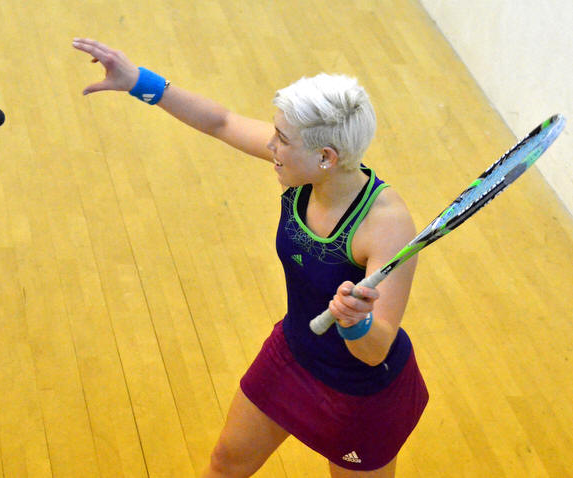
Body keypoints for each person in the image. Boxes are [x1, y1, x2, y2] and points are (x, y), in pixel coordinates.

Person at [72, 38, 428, 478]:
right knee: (226, 464)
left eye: (282, 139)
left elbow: (375, 351)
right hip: (292, 354)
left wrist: (357, 322)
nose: (270, 145)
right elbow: (220, 121)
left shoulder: (386, 225)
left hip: (359, 393)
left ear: (326, 157)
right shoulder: (306, 171)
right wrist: (137, 81)